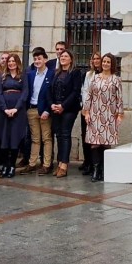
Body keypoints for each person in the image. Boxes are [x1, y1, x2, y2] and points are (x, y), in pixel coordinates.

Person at [83, 52, 124, 182]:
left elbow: (120, 98)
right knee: (95, 143)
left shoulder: (116, 79)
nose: (105, 64)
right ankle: (95, 169)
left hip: (109, 115)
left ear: (112, 64)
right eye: (104, 61)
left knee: (106, 143)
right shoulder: (95, 78)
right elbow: (88, 95)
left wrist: (119, 115)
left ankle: (104, 169)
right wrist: (87, 112)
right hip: (95, 113)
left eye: (108, 62)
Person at [19, 47, 55, 174]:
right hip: (32, 109)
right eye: (35, 59)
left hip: (44, 111)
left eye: (39, 59)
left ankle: (46, 164)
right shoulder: (30, 74)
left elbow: (51, 94)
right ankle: (32, 163)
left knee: (46, 138)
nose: (37, 61)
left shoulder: (51, 74)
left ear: (45, 59)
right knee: (35, 138)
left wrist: (47, 110)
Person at [48, 48, 82, 176]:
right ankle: (59, 161)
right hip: (55, 108)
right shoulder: (56, 73)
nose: (63, 58)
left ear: (71, 59)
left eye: (65, 56)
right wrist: (52, 104)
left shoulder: (75, 72)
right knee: (59, 135)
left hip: (69, 109)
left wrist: (63, 106)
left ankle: (64, 164)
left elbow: (75, 92)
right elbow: (49, 89)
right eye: (61, 56)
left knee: (65, 134)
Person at [0, 53, 29, 178]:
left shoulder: (22, 76)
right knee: (4, 138)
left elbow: (25, 92)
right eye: (9, 61)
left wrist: (16, 108)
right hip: (4, 112)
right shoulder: (3, 76)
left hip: (18, 111)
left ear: (17, 63)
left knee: (15, 138)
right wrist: (5, 109)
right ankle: (5, 164)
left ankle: (12, 166)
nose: (11, 63)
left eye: (13, 61)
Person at [79, 53, 102, 175]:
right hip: (87, 109)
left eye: (98, 58)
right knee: (86, 137)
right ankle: (87, 162)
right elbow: (85, 91)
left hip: (100, 111)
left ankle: (97, 165)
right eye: (94, 58)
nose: (96, 61)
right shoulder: (89, 74)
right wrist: (86, 107)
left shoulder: (105, 74)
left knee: (98, 139)